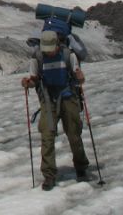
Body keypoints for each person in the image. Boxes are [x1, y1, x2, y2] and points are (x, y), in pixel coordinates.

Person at [21, 30, 90, 191]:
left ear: (57, 45)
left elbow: (78, 76)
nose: (48, 52)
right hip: (48, 98)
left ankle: (81, 166)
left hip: (68, 96)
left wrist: (80, 78)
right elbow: (35, 79)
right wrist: (28, 83)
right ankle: (49, 175)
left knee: (74, 133)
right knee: (47, 135)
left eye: (51, 49)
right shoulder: (37, 58)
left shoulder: (68, 55)